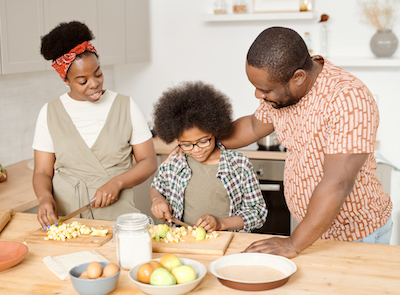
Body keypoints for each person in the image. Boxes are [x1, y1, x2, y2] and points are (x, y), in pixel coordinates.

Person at [219, 27, 393, 257]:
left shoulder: (348, 98)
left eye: (264, 89)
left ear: (298, 77)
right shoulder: (281, 95)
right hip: (311, 231)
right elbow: (253, 125)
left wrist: (293, 244)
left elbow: (337, 184)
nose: (257, 95)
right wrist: (206, 139)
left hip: (357, 237)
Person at [33, 21, 157, 230]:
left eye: (98, 74)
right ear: (66, 80)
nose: (94, 83)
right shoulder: (49, 113)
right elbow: (42, 172)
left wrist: (117, 183)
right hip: (67, 221)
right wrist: (45, 198)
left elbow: (148, 161)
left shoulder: (126, 106)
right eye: (82, 81)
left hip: (120, 218)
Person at [149, 81, 267, 232]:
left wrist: (221, 224)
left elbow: (257, 212)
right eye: (187, 144)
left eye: (203, 141)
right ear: (177, 141)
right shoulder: (174, 162)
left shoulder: (239, 164)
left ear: (215, 131)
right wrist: (157, 199)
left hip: (227, 241)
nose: (197, 149)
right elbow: (156, 188)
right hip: (184, 241)